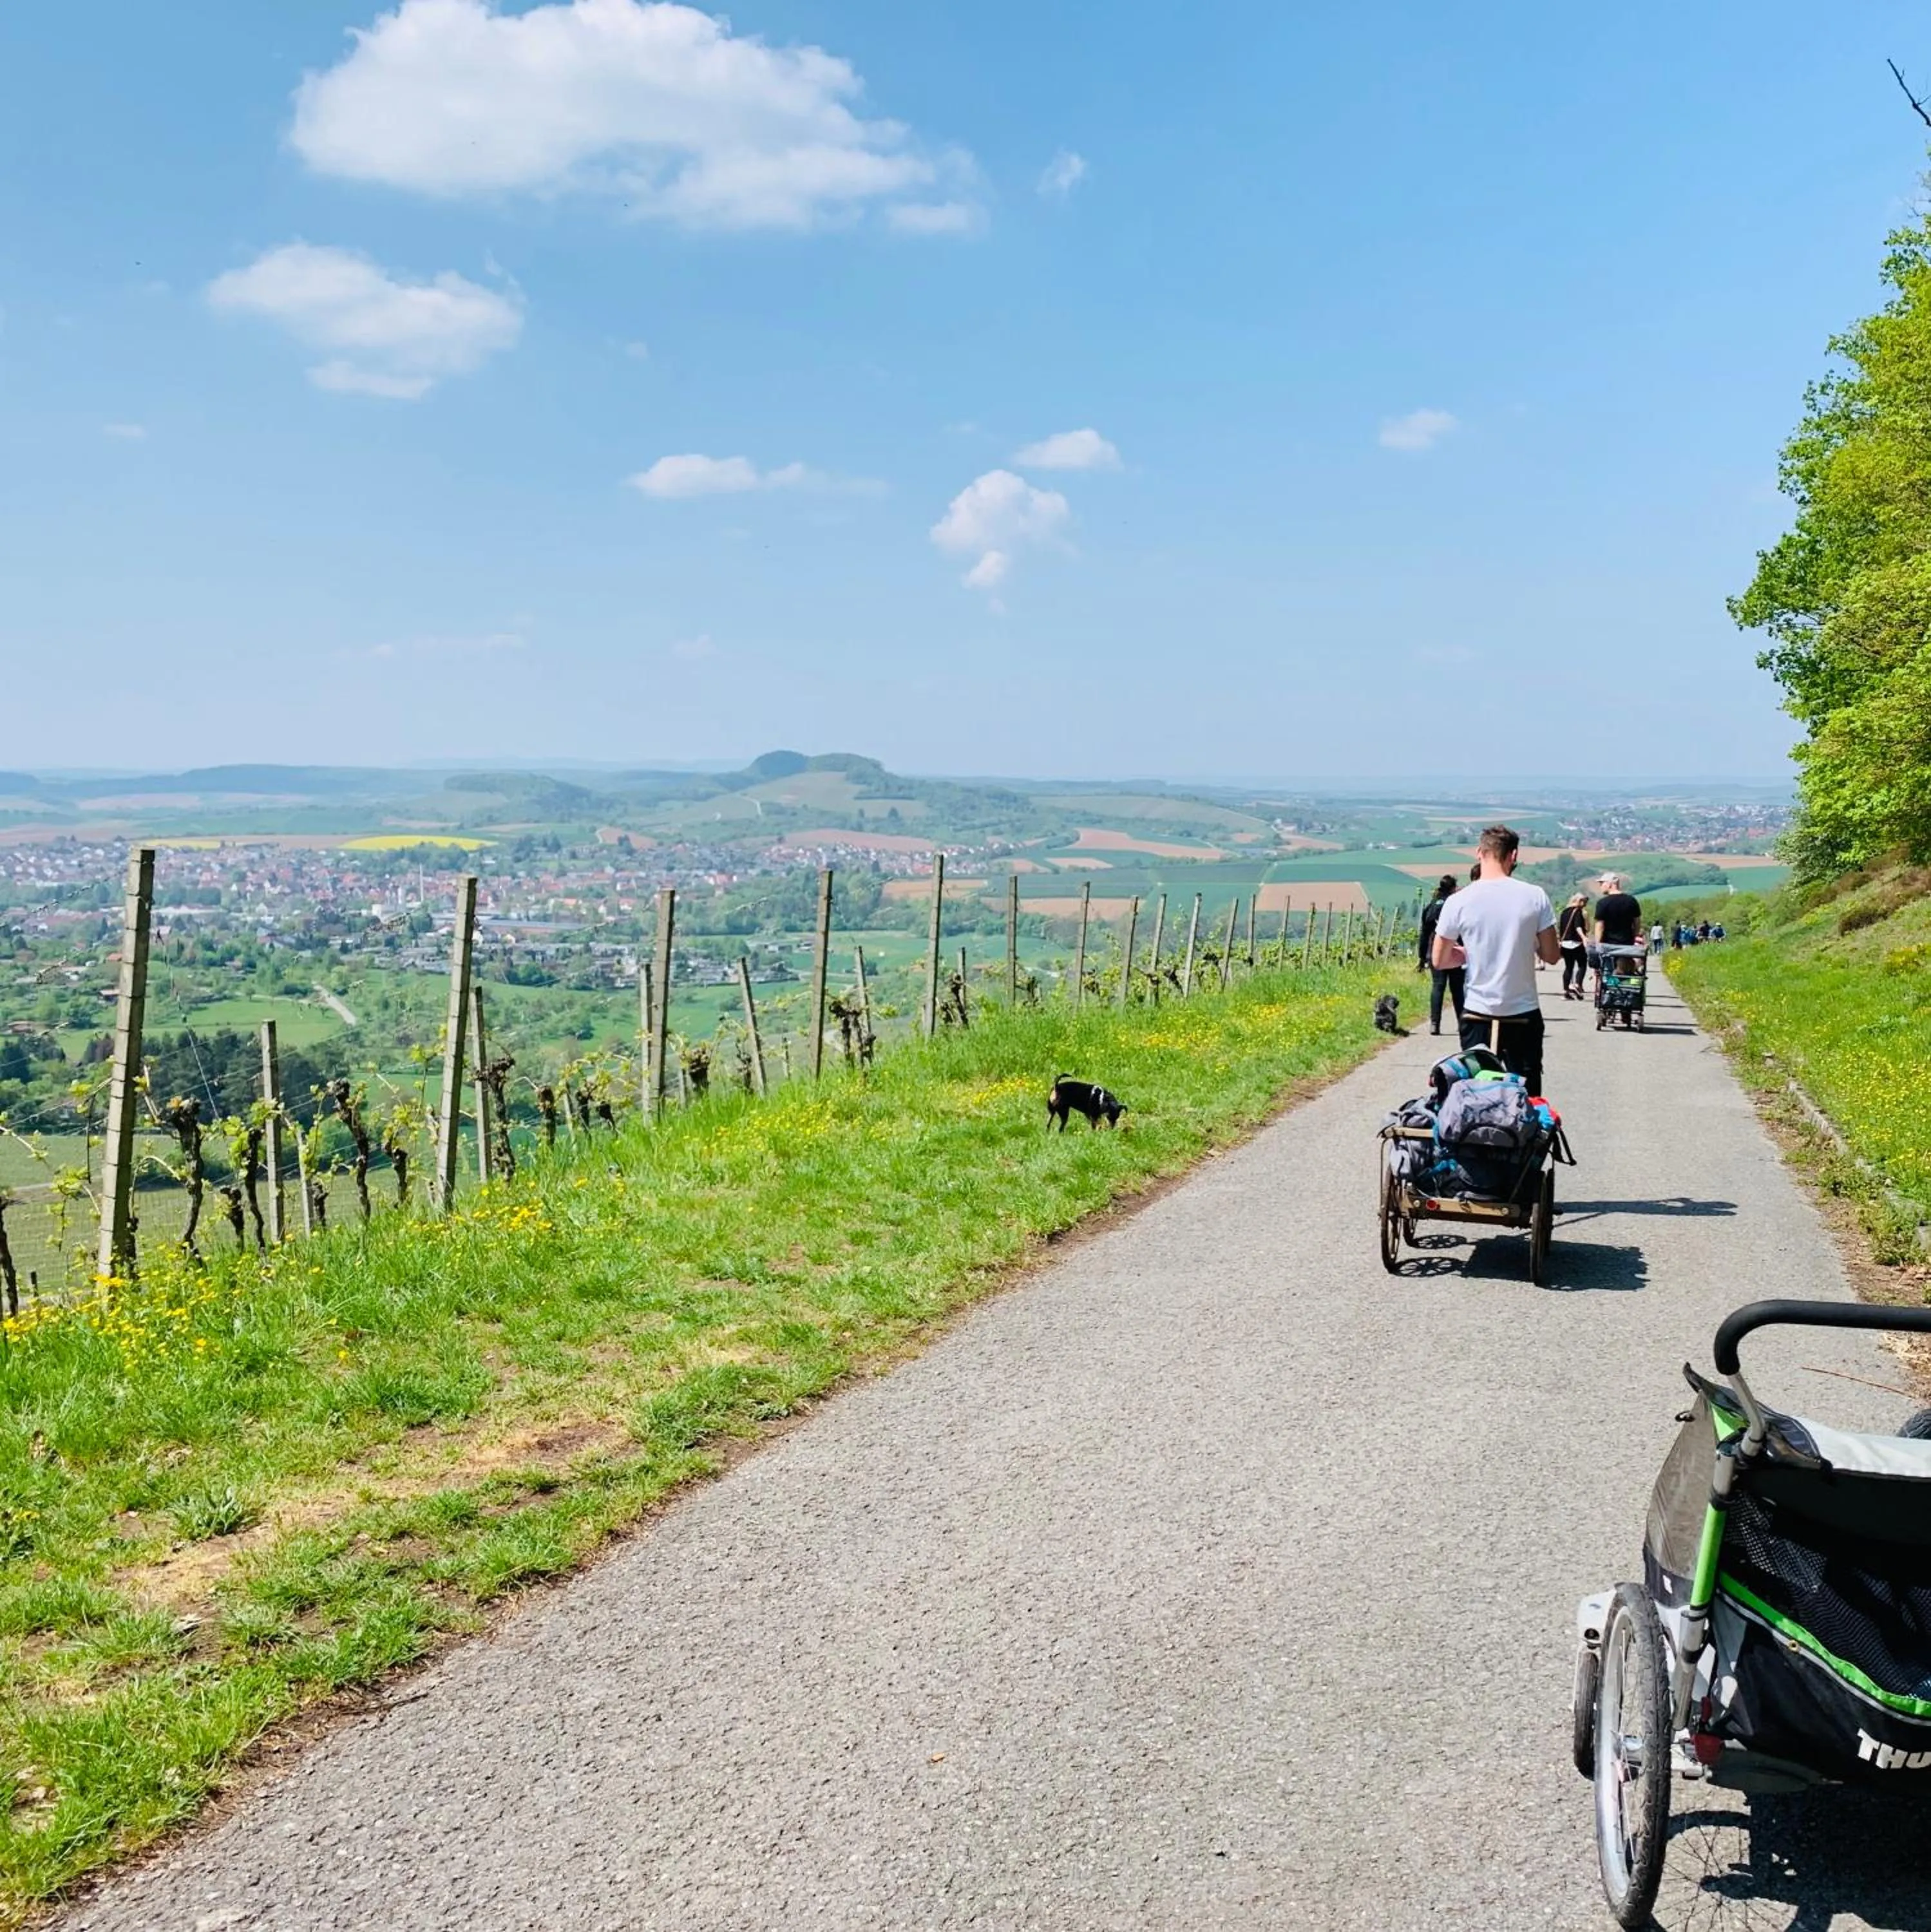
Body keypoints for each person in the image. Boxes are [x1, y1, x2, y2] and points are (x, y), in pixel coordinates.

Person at [1432, 824, 1559, 1094]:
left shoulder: (1459, 901)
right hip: (1523, 1013)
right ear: (1514, 856)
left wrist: (1466, 953)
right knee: (1526, 1095)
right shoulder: (1535, 896)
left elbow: (1440, 960)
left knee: (1476, 1095)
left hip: (1477, 1012)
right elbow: (1551, 956)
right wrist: (1529, 943)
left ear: (1479, 853)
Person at [1416, 873, 1465, 1036]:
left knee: (1438, 987)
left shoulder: (1431, 906)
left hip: (1434, 951)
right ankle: (1462, 1023)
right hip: (1455, 951)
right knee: (1457, 989)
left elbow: (1424, 934)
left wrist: (1422, 957)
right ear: (1453, 888)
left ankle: (1435, 1024)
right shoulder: (1455, 905)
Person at [1555, 891, 1590, 1001]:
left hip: (1565, 943)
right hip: (1576, 943)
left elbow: (1561, 928)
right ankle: (1577, 984)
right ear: (1579, 901)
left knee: (1569, 967)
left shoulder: (1564, 912)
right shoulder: (1578, 911)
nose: (1585, 904)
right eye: (1584, 902)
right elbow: (1578, 926)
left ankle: (1566, 991)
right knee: (1582, 964)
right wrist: (1584, 938)